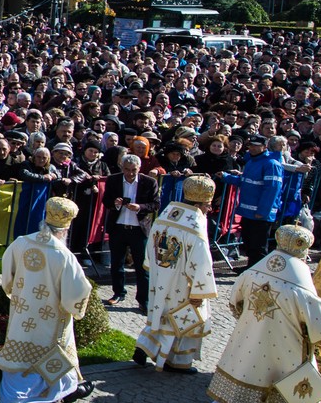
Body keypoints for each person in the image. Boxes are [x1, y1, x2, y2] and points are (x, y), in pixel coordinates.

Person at [207, 223, 321, 403]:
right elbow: (320, 324)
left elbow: (235, 302)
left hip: (250, 336)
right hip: (287, 346)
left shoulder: (254, 272)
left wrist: (251, 319)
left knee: (249, 371)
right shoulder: (300, 287)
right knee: (280, 385)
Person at [0, 195, 95, 403]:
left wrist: (17, 294)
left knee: (19, 351)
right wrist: (74, 309)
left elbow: (7, 278)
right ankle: (61, 391)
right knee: (56, 346)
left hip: (22, 313)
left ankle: (14, 396)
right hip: (51, 317)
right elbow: (78, 291)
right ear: (65, 229)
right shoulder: (64, 255)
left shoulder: (21, 242)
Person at [135, 174, 218, 373]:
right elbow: (202, 260)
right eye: (208, 205)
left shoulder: (168, 213)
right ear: (202, 203)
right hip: (183, 281)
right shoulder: (196, 224)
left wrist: (154, 266)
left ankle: (146, 344)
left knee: (161, 312)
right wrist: (200, 291)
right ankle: (177, 362)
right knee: (182, 318)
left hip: (161, 275)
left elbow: (152, 242)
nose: (209, 210)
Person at [106, 153, 155, 309]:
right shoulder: (113, 180)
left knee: (142, 266)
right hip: (118, 227)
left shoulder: (149, 182)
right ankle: (118, 293)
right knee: (117, 263)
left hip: (138, 229)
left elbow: (155, 204)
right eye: (127, 170)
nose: (130, 173)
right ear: (122, 168)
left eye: (134, 170)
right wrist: (116, 203)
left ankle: (143, 299)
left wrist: (140, 207)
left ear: (139, 169)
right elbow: (105, 200)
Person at [234, 133, 284, 266]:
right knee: (249, 243)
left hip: (260, 214)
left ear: (264, 147)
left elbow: (272, 189)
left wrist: (263, 211)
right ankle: (250, 268)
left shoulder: (271, 164)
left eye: (257, 146)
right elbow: (245, 181)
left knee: (259, 246)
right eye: (251, 145)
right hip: (248, 211)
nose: (253, 148)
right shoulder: (251, 161)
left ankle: (258, 272)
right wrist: (227, 177)